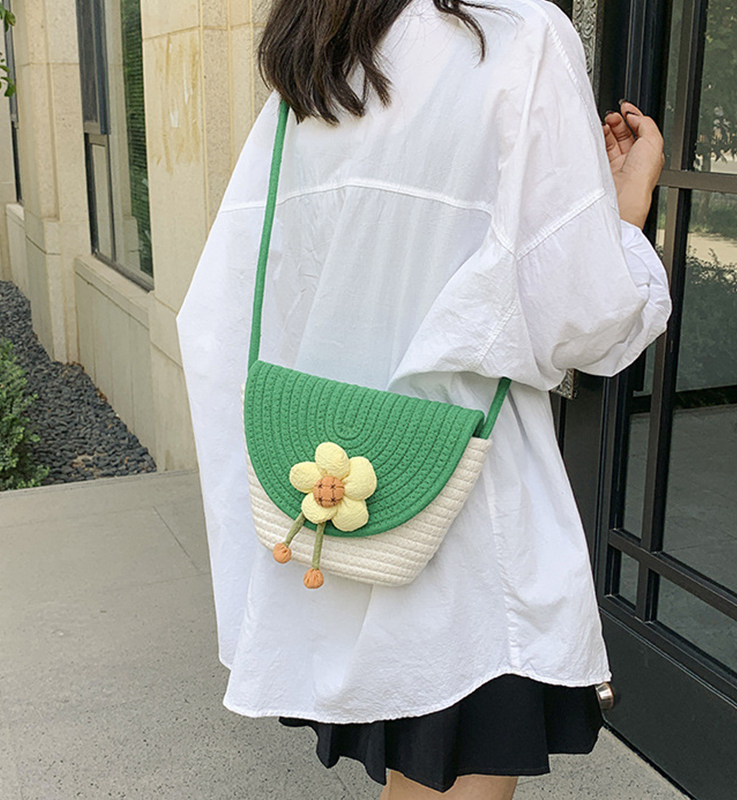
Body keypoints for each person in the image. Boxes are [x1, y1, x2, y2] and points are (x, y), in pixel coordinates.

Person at [175, 0, 671, 797]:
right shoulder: (520, 35)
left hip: (333, 478)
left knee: (418, 777)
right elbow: (578, 312)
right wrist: (624, 211)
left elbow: (232, 300)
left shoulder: (322, 51)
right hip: (470, 508)